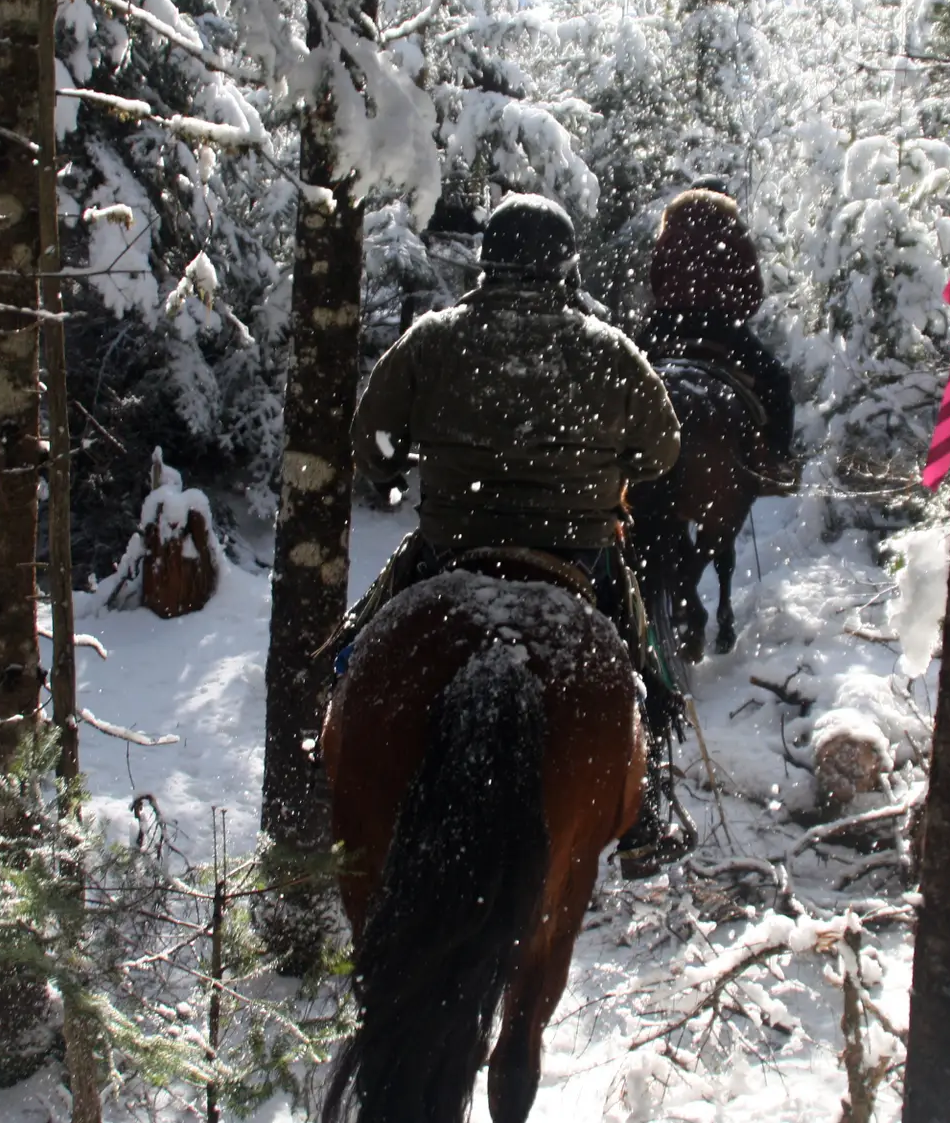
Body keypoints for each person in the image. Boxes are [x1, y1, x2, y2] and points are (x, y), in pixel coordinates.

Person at [339, 192, 696, 869]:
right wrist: (614, 464)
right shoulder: (608, 348)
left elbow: (371, 435)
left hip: (453, 544)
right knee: (639, 664)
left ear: (487, 261)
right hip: (580, 552)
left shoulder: (433, 338)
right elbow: (663, 449)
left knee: (362, 641)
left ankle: (328, 721)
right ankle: (649, 806)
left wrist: (392, 465)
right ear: (564, 266)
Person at [640, 177, 798, 489]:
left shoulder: (672, 227)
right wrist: (728, 307)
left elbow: (656, 281)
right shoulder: (733, 229)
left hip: (668, 323)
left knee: (627, 374)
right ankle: (776, 463)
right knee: (776, 382)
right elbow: (752, 292)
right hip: (721, 327)